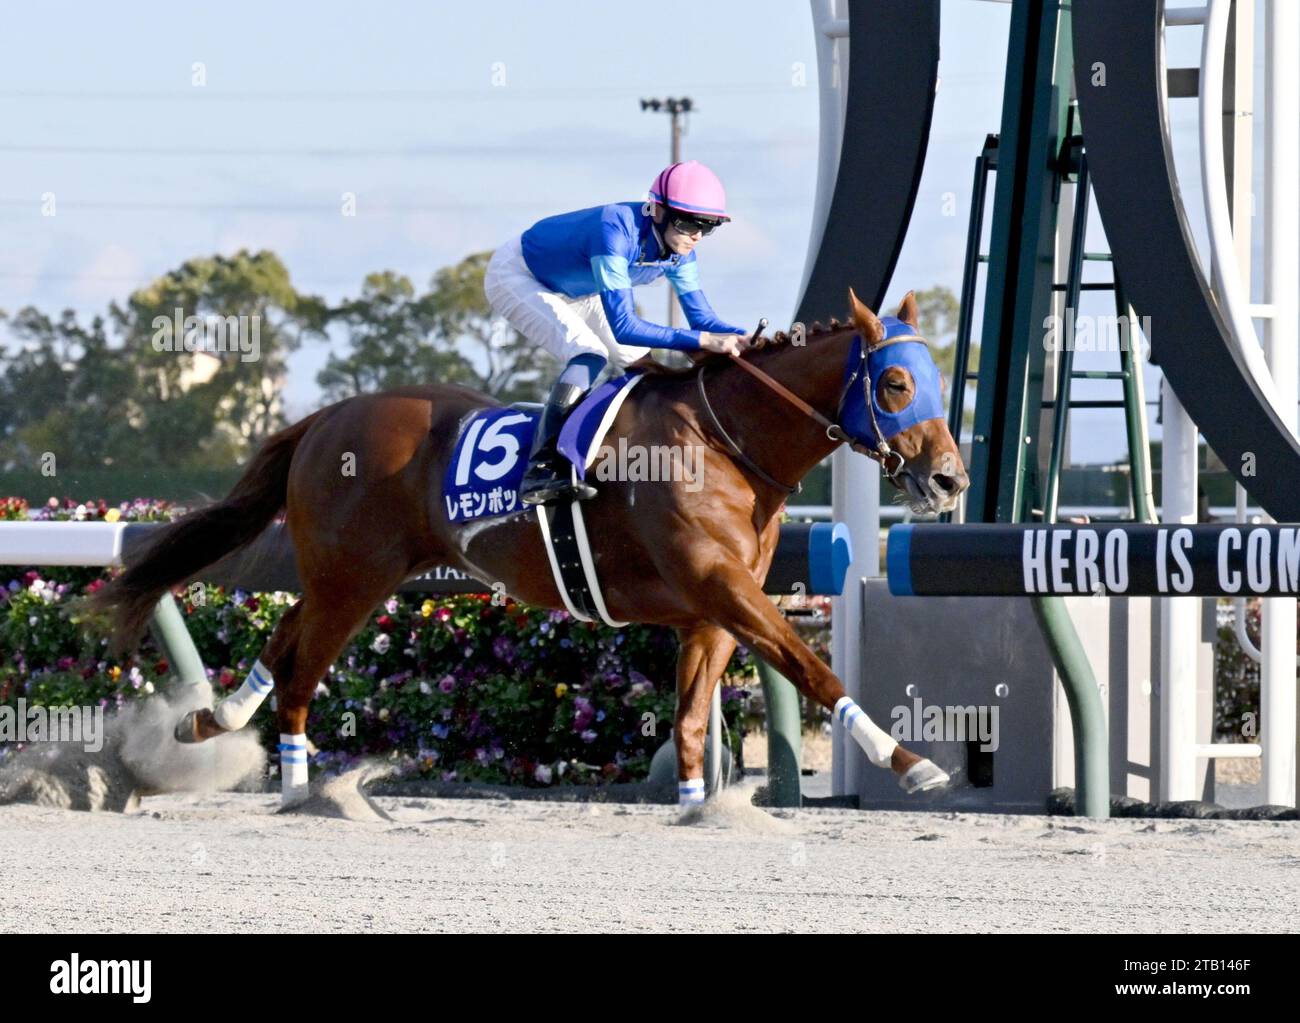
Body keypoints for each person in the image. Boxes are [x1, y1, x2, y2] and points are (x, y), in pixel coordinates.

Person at [483, 160, 749, 506]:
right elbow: (625, 327)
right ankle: (542, 469)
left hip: (580, 290)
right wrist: (703, 341)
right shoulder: (615, 229)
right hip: (520, 276)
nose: (695, 235)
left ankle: (633, 456)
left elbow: (703, 321)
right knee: (588, 353)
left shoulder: (682, 253)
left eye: (707, 227)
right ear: (656, 211)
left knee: (646, 366)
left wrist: (753, 339)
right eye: (687, 223)